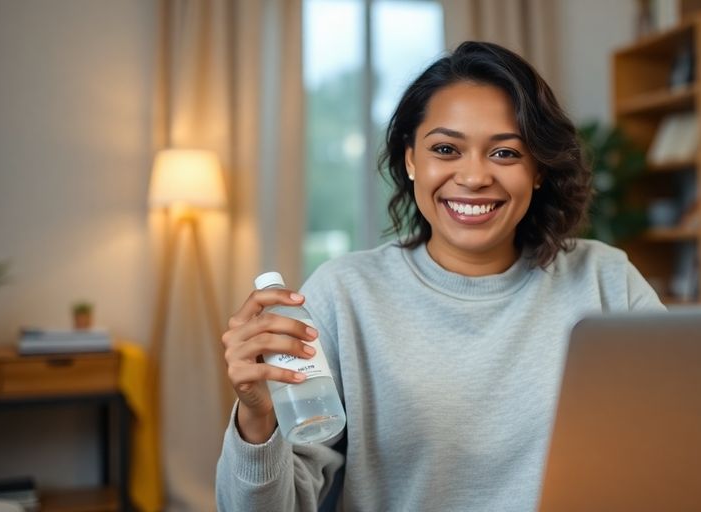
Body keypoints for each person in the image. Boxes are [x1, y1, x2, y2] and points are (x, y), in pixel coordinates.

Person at [216, 41, 665, 511]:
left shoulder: (606, 279)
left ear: (537, 170)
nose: (473, 177)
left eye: (506, 153)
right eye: (446, 149)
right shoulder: (343, 294)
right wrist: (257, 417)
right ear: (411, 159)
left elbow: (682, 437)